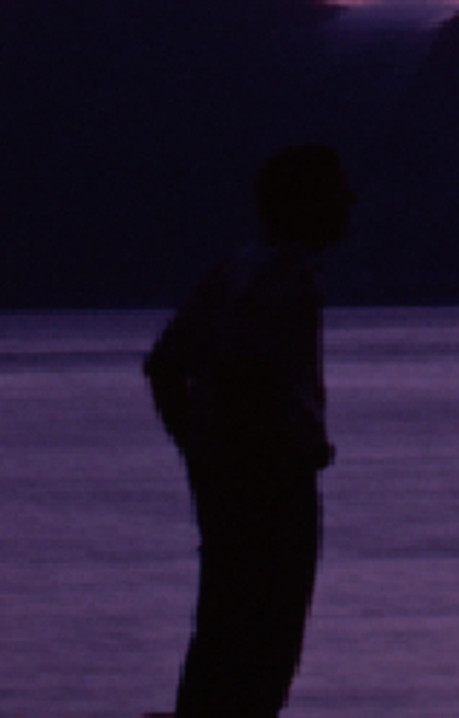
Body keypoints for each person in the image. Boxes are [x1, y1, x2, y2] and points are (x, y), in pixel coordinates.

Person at [144, 144, 350, 718]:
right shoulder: (286, 278)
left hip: (233, 479)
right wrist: (252, 453)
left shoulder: (236, 267)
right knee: (266, 642)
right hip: (273, 484)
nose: (349, 202)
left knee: (222, 627)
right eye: (337, 192)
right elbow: (238, 366)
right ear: (305, 204)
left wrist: (199, 454)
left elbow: (166, 364)